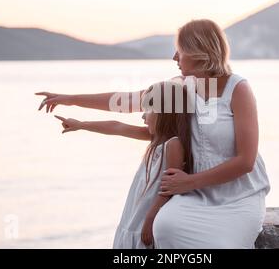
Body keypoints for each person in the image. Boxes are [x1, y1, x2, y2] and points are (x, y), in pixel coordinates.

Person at [36, 19, 270, 248]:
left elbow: (245, 161)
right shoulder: (180, 87)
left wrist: (188, 182)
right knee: (165, 226)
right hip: (197, 195)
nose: (174, 58)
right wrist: (70, 100)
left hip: (239, 195)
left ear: (198, 51)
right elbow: (125, 101)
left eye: (179, 51)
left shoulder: (237, 88)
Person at [50, 81, 193, 248]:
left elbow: (169, 187)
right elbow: (116, 126)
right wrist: (81, 125)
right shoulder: (155, 139)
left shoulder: (173, 144)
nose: (143, 116)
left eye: (147, 109)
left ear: (164, 112)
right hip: (133, 217)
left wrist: (150, 218)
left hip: (146, 221)